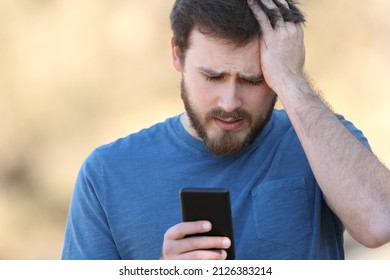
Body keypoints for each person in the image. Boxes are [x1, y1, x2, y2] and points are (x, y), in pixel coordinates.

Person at [61, 0, 390, 260]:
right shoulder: (106, 173)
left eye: (253, 80)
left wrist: (292, 81)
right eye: (212, 76)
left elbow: (380, 223)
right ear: (178, 54)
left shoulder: (322, 142)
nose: (230, 102)